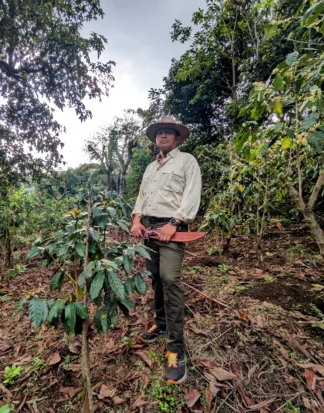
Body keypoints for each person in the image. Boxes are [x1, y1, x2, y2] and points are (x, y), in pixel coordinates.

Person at [131, 116, 202, 384]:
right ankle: (160, 324)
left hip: (171, 230)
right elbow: (142, 197)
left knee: (171, 279)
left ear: (177, 138)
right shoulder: (151, 168)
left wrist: (175, 223)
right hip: (148, 231)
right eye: (159, 133)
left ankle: (176, 348)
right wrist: (136, 220)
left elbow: (191, 195)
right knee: (156, 279)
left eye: (168, 133)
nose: (162, 136)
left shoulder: (187, 162)